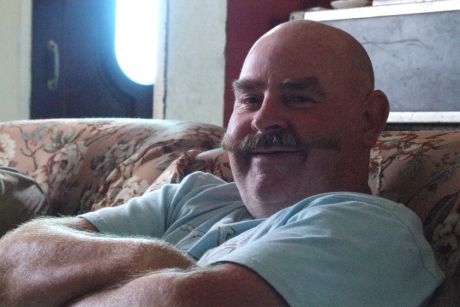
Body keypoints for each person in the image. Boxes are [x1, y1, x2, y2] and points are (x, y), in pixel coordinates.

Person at [0, 20, 444, 306]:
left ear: (370, 119)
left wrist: (56, 290)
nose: (264, 118)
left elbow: (182, 304)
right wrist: (150, 257)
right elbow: (13, 257)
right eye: (249, 98)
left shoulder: (371, 229)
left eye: (299, 98)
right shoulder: (193, 196)